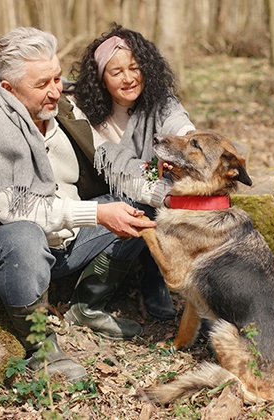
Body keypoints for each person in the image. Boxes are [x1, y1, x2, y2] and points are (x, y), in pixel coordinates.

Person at [0, 27, 156, 383]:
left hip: (69, 241)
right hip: (6, 257)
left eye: (57, 77)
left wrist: (173, 194)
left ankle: (88, 305)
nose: (56, 90)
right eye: (43, 83)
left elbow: (119, 87)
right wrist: (99, 215)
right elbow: (19, 211)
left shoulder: (61, 106)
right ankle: (40, 346)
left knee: (139, 206)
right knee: (24, 235)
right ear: (7, 89)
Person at [67, 23, 196, 320]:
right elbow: (36, 80)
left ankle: (154, 279)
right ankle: (91, 301)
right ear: (100, 79)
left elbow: (179, 126)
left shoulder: (160, 102)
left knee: (151, 200)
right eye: (116, 72)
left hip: (150, 195)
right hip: (104, 197)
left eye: (135, 68)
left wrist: (188, 146)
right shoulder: (82, 107)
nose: (128, 78)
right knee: (139, 201)